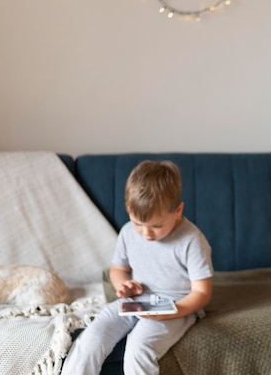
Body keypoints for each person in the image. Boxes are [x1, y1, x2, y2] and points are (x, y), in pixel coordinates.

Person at [62, 160, 214, 375]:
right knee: (92, 338)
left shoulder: (192, 241)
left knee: (138, 349)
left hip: (176, 306)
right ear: (128, 209)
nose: (146, 233)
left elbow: (202, 292)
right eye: (137, 223)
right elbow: (118, 270)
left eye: (157, 225)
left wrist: (173, 312)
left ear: (178, 210)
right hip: (135, 302)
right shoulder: (127, 232)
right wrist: (124, 286)